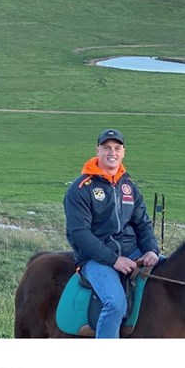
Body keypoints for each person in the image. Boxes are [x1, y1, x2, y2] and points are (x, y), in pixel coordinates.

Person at [64, 128, 159, 338]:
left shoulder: (129, 187)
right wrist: (113, 259)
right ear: (97, 150)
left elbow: (142, 223)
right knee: (115, 303)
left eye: (117, 148)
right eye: (106, 147)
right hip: (95, 258)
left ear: (123, 152)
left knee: (168, 277)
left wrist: (151, 249)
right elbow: (79, 233)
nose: (112, 153)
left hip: (131, 250)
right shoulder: (81, 189)